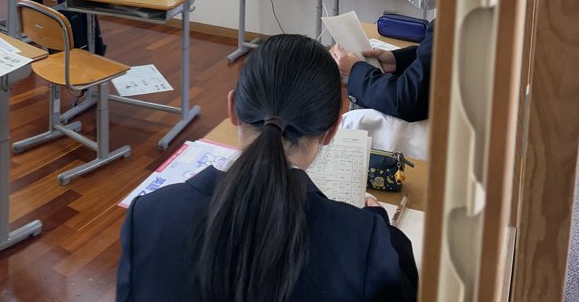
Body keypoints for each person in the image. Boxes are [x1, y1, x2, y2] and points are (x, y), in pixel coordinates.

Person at [120, 35, 417, 301]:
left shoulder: (147, 215)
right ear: (331, 130)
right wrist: (384, 231)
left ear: (233, 109)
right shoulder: (362, 243)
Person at [332, 0, 440, 158]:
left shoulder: (448, 25)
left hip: (444, 128)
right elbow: (433, 58)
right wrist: (395, 59)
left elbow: (404, 100)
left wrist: (355, 70)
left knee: (353, 121)